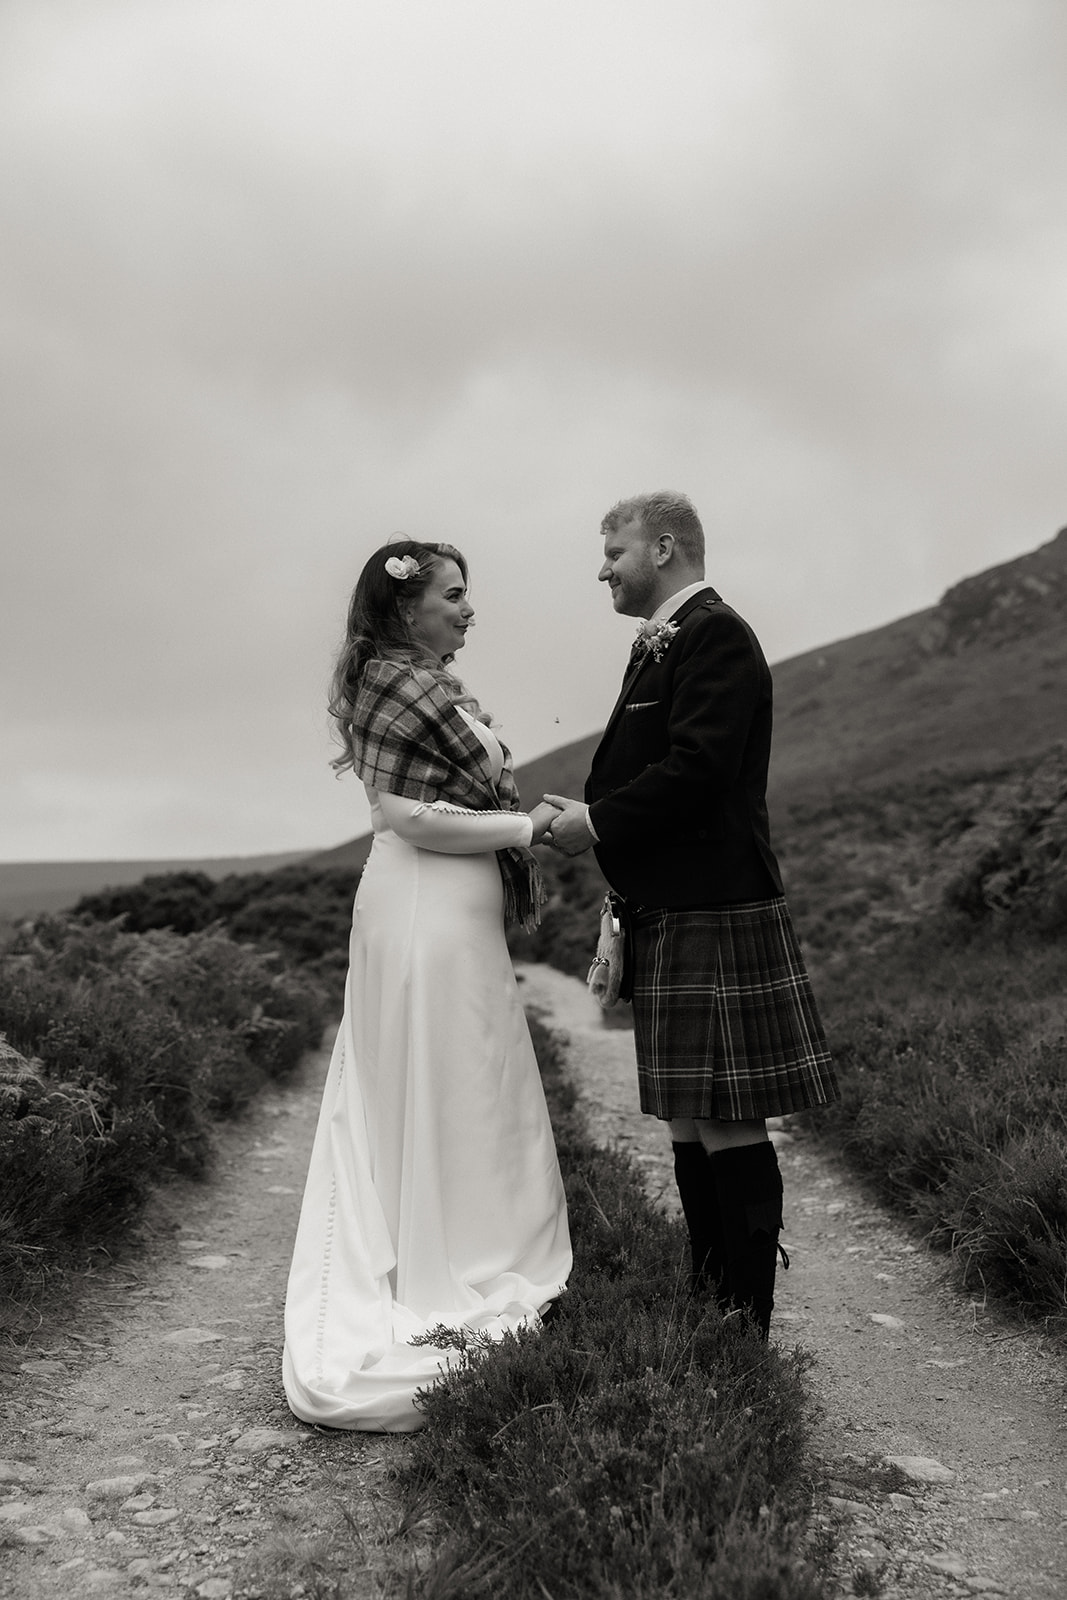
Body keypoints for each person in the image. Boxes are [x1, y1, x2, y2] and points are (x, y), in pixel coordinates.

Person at [283, 538, 571, 1431]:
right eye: (454, 594)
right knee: (440, 1075)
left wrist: (515, 828)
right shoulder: (388, 683)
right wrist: (527, 829)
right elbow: (410, 818)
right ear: (405, 608)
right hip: (420, 912)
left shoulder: (440, 688)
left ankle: (481, 1239)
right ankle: (441, 1259)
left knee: (472, 1077)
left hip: (456, 915)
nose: (469, 608)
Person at [545, 491, 837, 1339]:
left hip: (714, 902)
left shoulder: (714, 634)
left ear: (663, 548)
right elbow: (661, 763)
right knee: (688, 1115)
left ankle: (742, 1323)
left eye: (613, 552)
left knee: (725, 1115)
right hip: (671, 906)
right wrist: (594, 804)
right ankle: (708, 1301)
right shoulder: (665, 641)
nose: (602, 569)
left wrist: (593, 822)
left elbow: (700, 768)